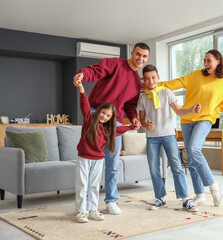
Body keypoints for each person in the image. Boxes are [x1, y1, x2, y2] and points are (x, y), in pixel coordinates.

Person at [159, 49, 223, 207]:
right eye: (204, 60)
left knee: (194, 149)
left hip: (205, 119)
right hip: (187, 119)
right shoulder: (196, 75)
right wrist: (155, 84)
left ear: (218, 61)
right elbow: (175, 83)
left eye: (209, 60)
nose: (206, 63)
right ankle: (199, 194)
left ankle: (212, 184)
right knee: (192, 157)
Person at [73, 42, 150, 215]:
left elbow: (130, 105)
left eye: (144, 56)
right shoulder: (115, 64)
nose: (140, 58)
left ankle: (111, 201)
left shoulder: (137, 82)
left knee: (112, 163)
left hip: (115, 121)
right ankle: (83, 206)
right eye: (138, 54)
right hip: (95, 113)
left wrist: (133, 119)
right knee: (90, 159)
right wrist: (82, 75)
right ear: (132, 53)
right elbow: (95, 70)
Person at [138, 64, 201, 212]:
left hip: (168, 136)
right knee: (154, 169)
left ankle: (186, 199)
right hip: (152, 138)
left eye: (153, 77)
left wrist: (191, 110)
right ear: (144, 80)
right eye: (147, 78)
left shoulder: (166, 92)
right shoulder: (142, 97)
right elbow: (141, 120)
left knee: (177, 167)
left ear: (158, 78)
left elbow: (179, 112)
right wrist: (147, 126)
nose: (150, 80)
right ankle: (160, 198)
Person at [74, 81, 135, 223]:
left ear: (110, 118)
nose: (104, 117)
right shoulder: (89, 119)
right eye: (103, 113)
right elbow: (84, 104)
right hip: (84, 158)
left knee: (94, 185)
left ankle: (92, 209)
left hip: (98, 160)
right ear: (99, 111)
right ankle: (81, 212)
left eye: (108, 116)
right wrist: (81, 89)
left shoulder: (108, 129)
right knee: (82, 185)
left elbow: (119, 130)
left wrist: (131, 127)